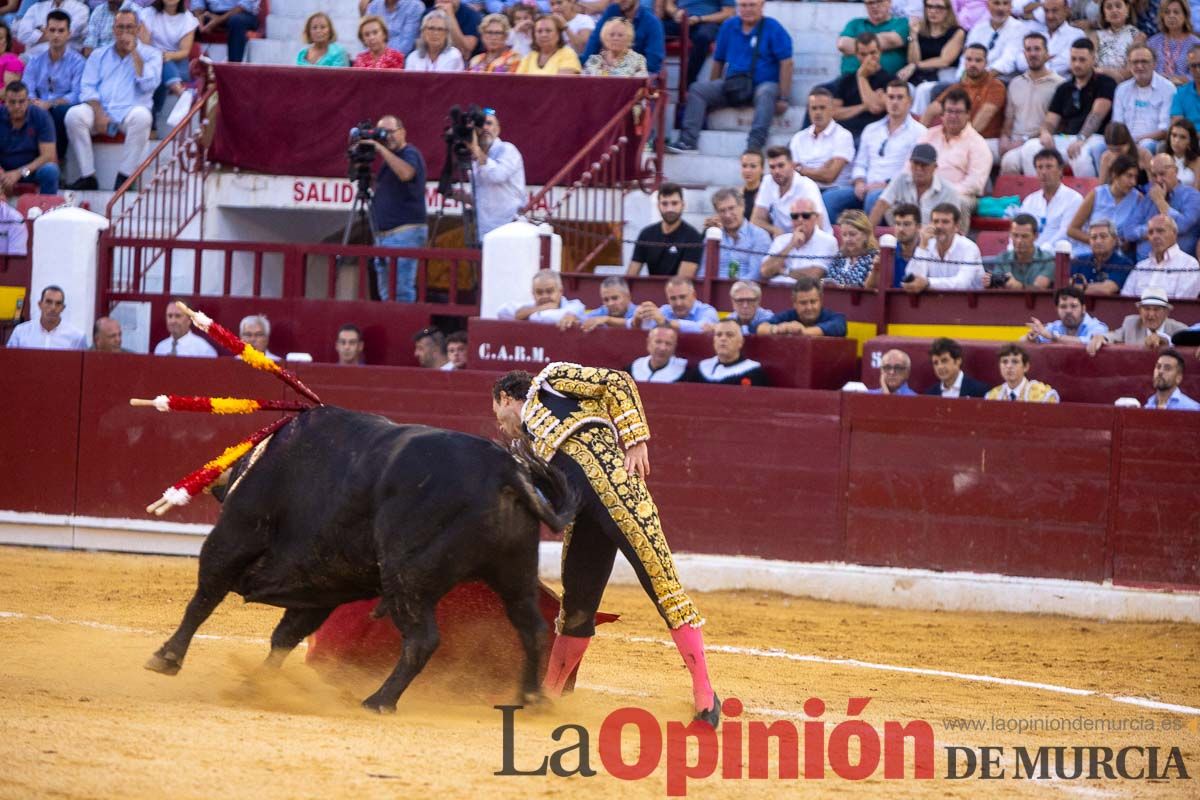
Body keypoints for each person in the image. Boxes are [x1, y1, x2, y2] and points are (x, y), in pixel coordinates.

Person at [490, 366, 720, 727]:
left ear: (504, 398)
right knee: (577, 609)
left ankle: (705, 696)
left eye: (497, 415)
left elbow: (616, 381)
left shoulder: (551, 382)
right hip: (585, 519)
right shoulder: (526, 449)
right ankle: (548, 696)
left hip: (623, 496)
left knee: (664, 589)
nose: (500, 425)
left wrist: (635, 439)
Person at [668, 0, 792, 153]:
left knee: (766, 92)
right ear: (738, 7)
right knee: (698, 89)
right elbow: (718, 61)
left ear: (762, 6)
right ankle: (687, 141)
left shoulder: (773, 27)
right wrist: (713, 91)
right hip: (734, 84)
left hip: (763, 84)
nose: (747, 9)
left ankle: (754, 144)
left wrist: (784, 97)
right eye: (743, 5)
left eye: (752, 5)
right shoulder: (729, 26)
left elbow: (787, 63)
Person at [65, 9, 161, 191]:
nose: (125, 32)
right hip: (101, 110)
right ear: (114, 30)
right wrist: (99, 113)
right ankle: (88, 176)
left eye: (130, 27)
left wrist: (135, 54)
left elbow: (149, 85)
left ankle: (124, 176)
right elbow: (87, 88)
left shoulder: (151, 54)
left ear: (138, 29)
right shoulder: (98, 54)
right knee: (74, 115)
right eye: (120, 27)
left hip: (129, 112)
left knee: (143, 117)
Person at [824, 79, 926, 223]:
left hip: (896, 189)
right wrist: (859, 181)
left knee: (875, 198)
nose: (894, 102)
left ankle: (867, 243)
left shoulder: (919, 132)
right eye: (890, 97)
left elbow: (911, 170)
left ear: (909, 101)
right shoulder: (871, 129)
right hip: (866, 186)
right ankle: (835, 243)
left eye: (900, 97)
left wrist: (886, 184)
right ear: (885, 99)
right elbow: (860, 163)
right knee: (830, 197)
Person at [1015, 37, 1116, 176]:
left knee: (1080, 156)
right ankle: (1038, 194)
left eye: (1082, 60)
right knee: (1030, 148)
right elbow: (1050, 120)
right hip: (1068, 137)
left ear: (1093, 59)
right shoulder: (1064, 87)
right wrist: (1045, 133)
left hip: (1095, 137)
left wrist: (1081, 139)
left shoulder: (1105, 83)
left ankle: (1086, 197)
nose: (1077, 64)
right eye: (1073, 59)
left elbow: (1096, 116)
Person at [367, 115, 426, 303]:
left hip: (404, 233)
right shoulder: (389, 161)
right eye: (382, 133)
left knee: (401, 291)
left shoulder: (410, 153)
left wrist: (380, 148)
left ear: (403, 132)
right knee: (386, 294)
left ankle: (405, 329)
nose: (387, 137)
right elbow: (384, 189)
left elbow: (406, 173)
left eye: (391, 132)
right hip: (384, 236)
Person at [997, 32, 1065, 174]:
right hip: (1014, 141)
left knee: (1013, 159)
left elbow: (1057, 125)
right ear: (1024, 53)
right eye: (1028, 50)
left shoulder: (1060, 85)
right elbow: (1009, 119)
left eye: (1037, 49)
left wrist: (1023, 141)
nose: (1033, 54)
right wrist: (1004, 138)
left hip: (1040, 142)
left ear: (1047, 53)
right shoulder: (1015, 83)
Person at [919, 87, 993, 215]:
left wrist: (943, 193)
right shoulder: (928, 136)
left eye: (958, 112)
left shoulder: (977, 143)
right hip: (924, 191)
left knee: (956, 202)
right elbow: (910, 167)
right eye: (949, 111)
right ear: (942, 114)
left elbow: (974, 184)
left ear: (968, 114)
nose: (953, 116)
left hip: (960, 195)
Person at [23, 10, 83, 162]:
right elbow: (27, 88)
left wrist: (50, 104)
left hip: (61, 108)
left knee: (58, 112)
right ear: (46, 32)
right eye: (52, 30)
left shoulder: (78, 62)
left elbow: (77, 94)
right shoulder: (35, 60)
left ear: (69, 33)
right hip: (38, 105)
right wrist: (34, 101)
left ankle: (56, 161)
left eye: (61, 31)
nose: (56, 35)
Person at [922, 44, 1005, 146]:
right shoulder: (959, 86)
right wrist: (920, 138)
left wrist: (960, 142)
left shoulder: (995, 86)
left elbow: (985, 116)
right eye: (969, 60)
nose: (972, 64)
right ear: (964, 62)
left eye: (978, 60)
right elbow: (932, 109)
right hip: (958, 140)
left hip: (986, 141)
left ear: (986, 63)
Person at [1121, 153, 1200, 259]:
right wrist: (1152, 230)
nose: (1158, 180)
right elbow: (1128, 231)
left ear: (1175, 171)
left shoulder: (1192, 196)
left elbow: (1181, 226)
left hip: (1178, 266)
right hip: (1145, 264)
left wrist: (1160, 202)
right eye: (1154, 175)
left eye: (1162, 174)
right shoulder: (1149, 197)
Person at [869, 143, 962, 227]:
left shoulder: (949, 191)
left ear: (935, 167)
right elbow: (881, 204)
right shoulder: (901, 179)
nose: (918, 169)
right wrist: (868, 233)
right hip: (902, 236)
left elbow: (952, 225)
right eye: (915, 164)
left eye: (924, 165)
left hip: (933, 239)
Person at [1066, 153, 1142, 257]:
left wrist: (1125, 243)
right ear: (1115, 175)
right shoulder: (1097, 194)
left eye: (1135, 177)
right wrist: (1098, 242)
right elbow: (1072, 230)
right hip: (1089, 252)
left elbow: (1140, 229)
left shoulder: (1137, 198)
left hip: (1118, 256)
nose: (1133, 182)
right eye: (1129, 176)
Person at [1106, 44, 1173, 160]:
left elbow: (1164, 130)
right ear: (1128, 64)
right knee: (1097, 148)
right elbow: (1117, 123)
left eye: (1144, 62)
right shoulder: (1122, 89)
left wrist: (1134, 141)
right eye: (1135, 62)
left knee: (1145, 145)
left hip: (1152, 142)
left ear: (1154, 64)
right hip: (1123, 141)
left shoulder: (1167, 88)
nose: (1140, 66)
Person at [138, 0, 198, 127]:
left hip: (178, 63)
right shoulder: (148, 14)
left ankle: (153, 121)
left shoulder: (188, 19)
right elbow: (144, 46)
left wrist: (165, 56)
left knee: (161, 66)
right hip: (151, 60)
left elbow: (184, 52)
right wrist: (158, 57)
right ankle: (180, 93)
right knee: (159, 67)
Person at [750, 146, 831, 239]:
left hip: (814, 241)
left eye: (781, 166)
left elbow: (817, 225)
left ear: (792, 165)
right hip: (783, 241)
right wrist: (774, 230)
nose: (776, 171)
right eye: (772, 167)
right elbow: (756, 220)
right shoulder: (768, 181)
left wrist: (790, 241)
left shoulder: (807, 186)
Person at [468, 109, 525, 241]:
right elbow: (484, 195)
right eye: (481, 124)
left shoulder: (507, 149)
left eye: (489, 123)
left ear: (498, 129)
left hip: (508, 230)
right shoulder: (475, 157)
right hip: (484, 232)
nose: (485, 127)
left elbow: (497, 175)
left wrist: (475, 149)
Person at [626, 182, 703, 277]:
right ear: (658, 206)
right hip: (651, 290)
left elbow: (683, 282)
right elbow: (631, 275)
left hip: (678, 291)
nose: (669, 209)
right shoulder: (646, 234)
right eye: (664, 204)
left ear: (683, 205)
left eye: (674, 203)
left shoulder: (692, 237)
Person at [904, 202, 984, 291]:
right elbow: (913, 279)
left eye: (945, 222)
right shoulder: (927, 244)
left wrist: (928, 283)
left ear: (956, 226)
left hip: (969, 302)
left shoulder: (969, 247)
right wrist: (922, 246)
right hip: (934, 302)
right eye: (935, 221)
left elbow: (962, 283)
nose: (939, 226)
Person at [789, 88, 855, 195]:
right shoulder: (798, 138)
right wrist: (820, 171)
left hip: (834, 190)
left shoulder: (843, 136)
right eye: (814, 108)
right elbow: (791, 172)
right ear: (808, 111)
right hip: (805, 191)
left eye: (822, 108)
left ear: (832, 109)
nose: (818, 112)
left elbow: (829, 176)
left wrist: (801, 169)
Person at [0, 81, 60, 195]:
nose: (17, 106)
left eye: (21, 101)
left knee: (50, 170)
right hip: (3, 171)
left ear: (28, 101)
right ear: (5, 102)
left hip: (30, 171)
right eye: (12, 102)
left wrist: (19, 173)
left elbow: (48, 156)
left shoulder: (41, 116)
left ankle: (48, 210)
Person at [830, 33, 894, 139]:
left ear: (880, 52)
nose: (868, 58)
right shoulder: (846, 80)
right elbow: (833, 112)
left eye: (873, 53)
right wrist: (863, 107)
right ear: (856, 55)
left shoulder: (890, 81)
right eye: (863, 54)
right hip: (844, 134)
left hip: (874, 135)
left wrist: (861, 77)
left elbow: (874, 108)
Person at [1121, 213, 1200, 298]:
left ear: (1174, 233)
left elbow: (1183, 304)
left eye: (1160, 231)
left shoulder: (1189, 264)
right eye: (1151, 232)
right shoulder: (1141, 266)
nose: (1155, 236)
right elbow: (1126, 300)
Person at [1089, 286, 1189, 353]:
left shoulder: (1179, 330)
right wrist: (1102, 337)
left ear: (1166, 312)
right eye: (1147, 309)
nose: (1151, 314)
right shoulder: (1131, 323)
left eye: (1156, 309)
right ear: (1139, 311)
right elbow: (1115, 335)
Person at [1018, 148, 1083, 250]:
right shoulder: (1029, 201)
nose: (1043, 172)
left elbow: (1065, 233)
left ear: (1060, 170)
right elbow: (1018, 228)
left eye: (1049, 167)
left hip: (1058, 256)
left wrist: (1040, 251)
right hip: (1029, 256)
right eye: (1039, 167)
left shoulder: (1074, 199)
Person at [760, 198, 838, 282]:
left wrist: (784, 271)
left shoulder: (827, 241)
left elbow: (814, 275)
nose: (800, 220)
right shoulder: (781, 240)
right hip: (778, 290)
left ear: (816, 218)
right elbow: (765, 271)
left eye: (805, 216)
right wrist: (790, 245)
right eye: (795, 216)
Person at [661, 0, 734, 90]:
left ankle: (687, 85)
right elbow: (669, 4)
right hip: (681, 20)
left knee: (703, 37)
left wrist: (700, 19)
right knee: (655, 28)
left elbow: (728, 13)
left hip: (707, 22)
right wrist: (676, 13)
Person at [897, 0, 963, 99]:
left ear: (948, 10)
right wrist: (913, 35)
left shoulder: (957, 32)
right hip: (920, 74)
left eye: (938, 7)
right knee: (902, 88)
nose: (933, 11)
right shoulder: (920, 30)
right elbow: (912, 60)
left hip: (944, 74)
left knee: (923, 90)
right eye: (929, 6)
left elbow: (944, 61)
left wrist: (916, 66)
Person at [701, 185, 770, 280]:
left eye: (731, 208)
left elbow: (756, 275)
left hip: (745, 290)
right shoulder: (713, 236)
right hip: (714, 290)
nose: (727, 215)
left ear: (742, 206)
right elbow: (702, 272)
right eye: (722, 210)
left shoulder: (759, 236)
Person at [581, 0, 664, 74]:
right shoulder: (611, 12)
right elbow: (593, 44)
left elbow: (653, 64)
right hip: (608, 73)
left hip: (636, 76)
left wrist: (629, 71)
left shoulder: (652, 22)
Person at [756, 276, 848, 337]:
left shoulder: (836, 318)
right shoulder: (788, 315)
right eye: (803, 303)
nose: (809, 307)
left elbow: (837, 327)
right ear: (794, 303)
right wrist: (777, 329)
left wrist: (801, 331)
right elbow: (760, 329)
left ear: (821, 300)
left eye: (813, 302)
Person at [685, 318, 768, 385]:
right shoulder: (701, 369)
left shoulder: (754, 372)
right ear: (714, 340)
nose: (723, 339)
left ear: (741, 342)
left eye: (729, 335)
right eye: (719, 334)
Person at [836, 0, 908, 77]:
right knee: (823, 88)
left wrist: (856, 45)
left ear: (889, 2)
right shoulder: (855, 23)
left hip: (885, 81)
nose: (874, 6)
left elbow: (893, 40)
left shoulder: (901, 23)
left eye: (879, 1)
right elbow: (842, 45)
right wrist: (881, 42)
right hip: (849, 78)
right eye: (870, 3)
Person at [984, 214, 1056, 289]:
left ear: (1036, 236)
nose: (1019, 241)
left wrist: (1019, 287)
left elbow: (1039, 289)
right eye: (1015, 235)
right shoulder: (1002, 258)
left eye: (1025, 236)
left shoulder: (1048, 259)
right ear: (1010, 235)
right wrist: (989, 283)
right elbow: (996, 287)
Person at [4, 284, 86, 349]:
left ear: (63, 308)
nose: (53, 308)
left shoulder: (76, 337)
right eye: (48, 302)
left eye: (58, 303)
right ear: (40, 304)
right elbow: (10, 362)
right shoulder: (21, 333)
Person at [630, 275, 719, 333]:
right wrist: (638, 319)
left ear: (694, 295)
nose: (678, 303)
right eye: (673, 298)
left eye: (682, 297)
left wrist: (665, 322)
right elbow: (645, 328)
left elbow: (702, 329)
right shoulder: (665, 310)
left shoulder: (707, 311)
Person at [961, 0, 1026, 79]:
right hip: (973, 75)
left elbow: (1008, 61)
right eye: (996, 3)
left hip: (1000, 77)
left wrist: (981, 78)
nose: (1001, 8)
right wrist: (963, 77)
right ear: (988, 5)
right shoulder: (978, 28)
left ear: (1011, 7)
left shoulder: (1019, 28)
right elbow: (965, 57)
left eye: (1005, 3)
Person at [497, 268, 587, 323]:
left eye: (550, 291)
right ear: (533, 294)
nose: (544, 296)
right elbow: (502, 311)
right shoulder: (532, 305)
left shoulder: (575, 306)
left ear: (560, 291)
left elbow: (546, 318)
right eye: (539, 292)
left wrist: (526, 314)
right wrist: (541, 308)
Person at [1026, 285, 1110, 343]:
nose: (1068, 311)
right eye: (1063, 306)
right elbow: (1025, 341)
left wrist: (1053, 337)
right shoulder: (1054, 327)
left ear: (1083, 308)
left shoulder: (1097, 326)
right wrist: (1031, 338)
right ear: (1056, 309)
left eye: (1074, 306)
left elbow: (1090, 342)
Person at [1071, 218, 1136, 293]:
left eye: (1103, 236)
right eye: (1094, 237)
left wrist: (1073, 287)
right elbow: (1063, 285)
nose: (1098, 241)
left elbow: (1106, 289)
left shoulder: (1124, 263)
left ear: (1114, 240)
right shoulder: (1078, 261)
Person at [1025, 0, 1086, 76]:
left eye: (1055, 11)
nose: (1050, 16)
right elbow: (1020, 62)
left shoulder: (1076, 35)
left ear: (1066, 10)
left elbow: (1065, 63)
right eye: (1046, 11)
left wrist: (1035, 62)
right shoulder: (1037, 34)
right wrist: (1045, 60)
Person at [1089, 0, 1144, 82]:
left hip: (1126, 84)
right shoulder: (1095, 36)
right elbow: (1090, 66)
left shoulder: (1137, 36)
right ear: (1104, 13)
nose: (1114, 10)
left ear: (1127, 9)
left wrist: (1107, 72)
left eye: (1118, 6)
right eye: (1109, 7)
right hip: (1098, 82)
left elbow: (1132, 69)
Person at [1146, 0, 1198, 87]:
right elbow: (1146, 69)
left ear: (1185, 16)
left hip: (1184, 90)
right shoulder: (1152, 42)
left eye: (1176, 12)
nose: (1171, 16)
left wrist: (1179, 79)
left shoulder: (1195, 44)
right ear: (1162, 16)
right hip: (1157, 90)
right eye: (1167, 12)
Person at [985, 343, 1061, 401]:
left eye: (1015, 362)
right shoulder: (992, 396)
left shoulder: (1043, 395)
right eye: (1004, 362)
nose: (1009, 366)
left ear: (1026, 367)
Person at [190, 0, 259, 63]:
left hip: (242, 13)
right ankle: (191, 67)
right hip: (212, 13)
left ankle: (233, 67)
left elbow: (244, 5)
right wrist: (200, 20)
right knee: (189, 20)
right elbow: (197, 4)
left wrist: (219, 20)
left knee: (236, 21)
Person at [826, 209, 881, 288]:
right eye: (844, 235)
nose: (848, 239)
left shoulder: (873, 258)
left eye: (852, 234)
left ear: (865, 235)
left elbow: (869, 288)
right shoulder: (840, 256)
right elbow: (829, 282)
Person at [17, 0, 87, 59]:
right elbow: (23, 34)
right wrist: (55, 34)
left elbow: (69, 32)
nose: (55, 34)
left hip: (66, 58)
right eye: (52, 30)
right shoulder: (35, 8)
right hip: (32, 57)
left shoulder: (81, 9)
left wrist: (39, 29)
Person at [560, 275, 634, 330]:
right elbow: (583, 319)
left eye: (615, 298)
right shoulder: (602, 311)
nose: (610, 303)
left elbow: (634, 323)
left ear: (628, 296)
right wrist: (573, 317)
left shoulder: (639, 312)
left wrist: (607, 320)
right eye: (606, 300)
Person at [923, 336, 990, 396]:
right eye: (935, 363)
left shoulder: (979, 391)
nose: (939, 367)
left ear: (958, 361)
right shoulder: (930, 394)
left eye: (944, 361)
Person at [581, 14, 647, 76]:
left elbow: (640, 84)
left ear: (628, 38)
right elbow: (583, 83)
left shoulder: (638, 60)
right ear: (605, 38)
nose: (615, 38)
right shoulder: (593, 60)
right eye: (611, 35)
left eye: (620, 35)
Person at [517, 13, 581, 74]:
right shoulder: (529, 56)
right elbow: (517, 82)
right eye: (539, 31)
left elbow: (562, 83)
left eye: (548, 31)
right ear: (534, 35)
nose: (543, 35)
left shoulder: (568, 54)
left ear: (558, 34)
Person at [152, 299, 216, 356]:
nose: (173, 321)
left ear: (189, 320)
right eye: (170, 316)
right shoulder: (160, 348)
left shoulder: (203, 349)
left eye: (178, 316)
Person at [358, 0, 423, 56]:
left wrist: (381, 54)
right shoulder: (374, 6)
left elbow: (406, 45)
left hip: (401, 61)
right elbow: (366, 36)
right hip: (373, 57)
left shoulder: (415, 6)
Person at [888, 203, 922, 285]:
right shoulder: (888, 250)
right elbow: (870, 287)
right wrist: (876, 269)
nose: (901, 229)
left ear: (918, 227)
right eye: (897, 224)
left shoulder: (928, 250)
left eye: (907, 224)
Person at [1162, 118, 1200, 188]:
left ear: (1190, 141)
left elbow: (1197, 193)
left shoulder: (1197, 161)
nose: (1176, 140)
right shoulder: (1162, 159)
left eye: (1183, 137)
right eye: (1174, 135)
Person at [737, 149, 762, 217]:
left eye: (753, 166)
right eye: (744, 166)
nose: (747, 170)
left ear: (762, 169)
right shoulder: (736, 194)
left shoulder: (766, 195)